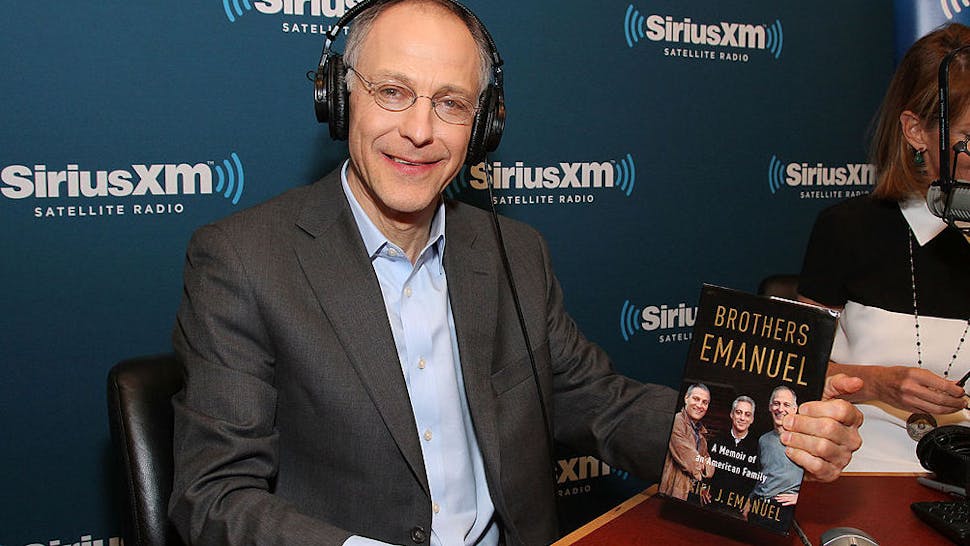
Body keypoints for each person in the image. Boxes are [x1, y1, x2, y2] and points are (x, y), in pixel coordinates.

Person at [169, 1, 865, 544]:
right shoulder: (241, 258)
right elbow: (216, 498)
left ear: (484, 125)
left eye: (450, 103)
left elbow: (598, 400)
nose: (419, 130)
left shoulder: (513, 251)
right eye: (391, 92)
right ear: (336, 96)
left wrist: (733, 431)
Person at [798, 22, 970, 472]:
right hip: (861, 473)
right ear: (916, 131)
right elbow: (792, 369)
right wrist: (877, 384)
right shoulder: (848, 230)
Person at [744, 387, 802, 532]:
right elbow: (763, 474)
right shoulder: (763, 440)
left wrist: (798, 498)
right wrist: (750, 500)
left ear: (795, 409)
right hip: (759, 506)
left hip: (784, 510)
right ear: (770, 407)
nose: (780, 409)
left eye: (786, 405)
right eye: (776, 403)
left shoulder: (804, 440)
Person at [659, 384, 716, 501]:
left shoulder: (702, 436)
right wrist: (702, 463)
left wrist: (703, 465)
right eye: (696, 399)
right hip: (673, 493)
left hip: (690, 494)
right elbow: (691, 462)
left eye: (705, 402)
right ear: (686, 398)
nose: (700, 405)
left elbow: (711, 470)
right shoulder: (676, 421)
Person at [706, 395, 759, 517]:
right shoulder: (715, 441)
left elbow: (760, 479)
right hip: (712, 505)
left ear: (752, 419)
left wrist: (751, 501)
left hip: (739, 510)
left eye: (747, 414)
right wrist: (703, 487)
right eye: (738, 412)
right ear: (731, 414)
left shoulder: (758, 448)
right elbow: (704, 469)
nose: (742, 418)